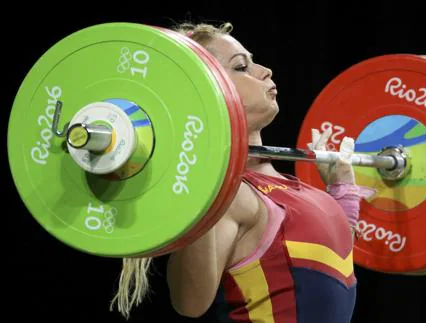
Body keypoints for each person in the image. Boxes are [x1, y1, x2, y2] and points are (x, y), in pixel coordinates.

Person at [109, 20, 373, 322]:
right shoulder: (231, 197)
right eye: (241, 67)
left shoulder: (288, 188)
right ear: (206, 90)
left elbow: (329, 268)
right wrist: (205, 179)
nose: (265, 71)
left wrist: (342, 193)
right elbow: (190, 302)